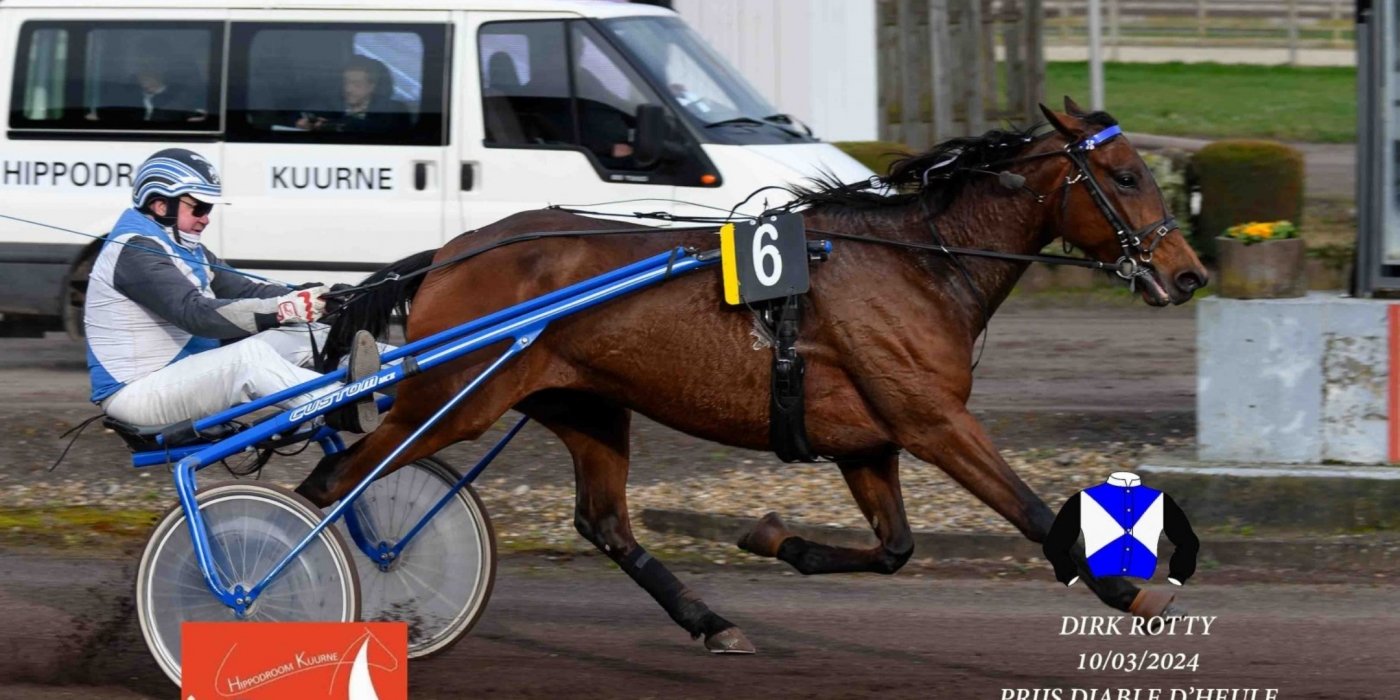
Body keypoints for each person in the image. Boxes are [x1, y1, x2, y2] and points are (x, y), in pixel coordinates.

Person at [85, 148, 381, 434]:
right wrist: (285, 309)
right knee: (248, 358)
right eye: (198, 207)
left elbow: (247, 290)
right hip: (136, 393)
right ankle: (340, 405)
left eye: (209, 208)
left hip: (175, 377)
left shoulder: (186, 247)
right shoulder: (134, 251)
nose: (206, 218)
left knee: (308, 334)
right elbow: (195, 314)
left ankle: (411, 378)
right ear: (161, 206)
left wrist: (318, 297)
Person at [295, 56, 408, 134]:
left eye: (356, 84)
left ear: (371, 86)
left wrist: (335, 126)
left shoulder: (394, 110)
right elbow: (302, 115)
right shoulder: (329, 102)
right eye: (346, 82)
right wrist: (304, 124)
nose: (348, 89)